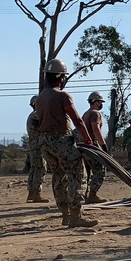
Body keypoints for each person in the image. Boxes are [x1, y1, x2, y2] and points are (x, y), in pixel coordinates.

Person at [33, 59, 97, 229]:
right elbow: (77, 119)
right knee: (77, 173)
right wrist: (87, 139)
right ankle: (76, 215)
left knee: (59, 175)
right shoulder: (63, 96)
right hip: (61, 138)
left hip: (44, 142)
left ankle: (65, 215)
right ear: (61, 77)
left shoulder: (40, 98)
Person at [81, 91, 108, 204]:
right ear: (95, 102)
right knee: (99, 170)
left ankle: (86, 195)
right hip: (92, 145)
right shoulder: (95, 113)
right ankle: (92, 194)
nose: (101, 104)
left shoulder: (86, 113)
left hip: (84, 145)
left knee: (87, 171)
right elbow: (96, 129)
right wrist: (103, 145)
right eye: (100, 102)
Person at [25, 95, 48, 203]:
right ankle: (36, 194)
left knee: (34, 169)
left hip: (34, 146)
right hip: (38, 146)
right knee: (40, 168)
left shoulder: (32, 115)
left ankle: (31, 193)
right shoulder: (36, 115)